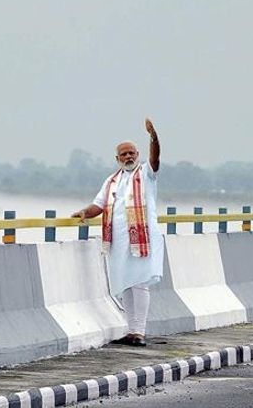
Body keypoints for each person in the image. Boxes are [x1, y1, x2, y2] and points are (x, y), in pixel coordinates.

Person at [71, 118, 163, 347]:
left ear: (138, 154)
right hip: (118, 241)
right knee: (125, 284)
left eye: (132, 153)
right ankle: (131, 330)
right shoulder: (111, 181)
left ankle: (139, 332)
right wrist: (84, 212)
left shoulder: (146, 174)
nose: (129, 157)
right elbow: (98, 205)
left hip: (142, 238)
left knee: (140, 282)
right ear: (117, 159)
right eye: (124, 154)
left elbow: (155, 158)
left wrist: (154, 137)